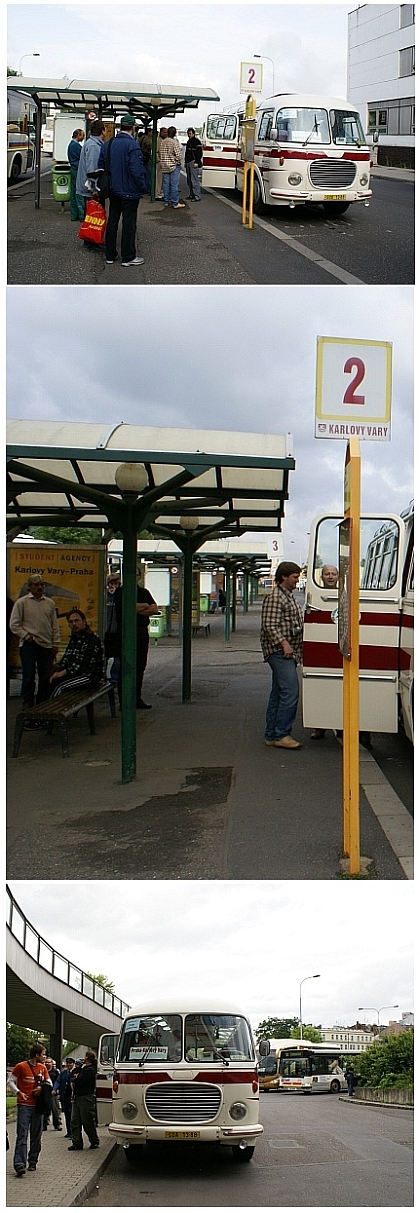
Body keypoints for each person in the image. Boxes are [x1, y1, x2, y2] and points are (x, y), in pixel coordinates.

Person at [260, 561, 303, 749]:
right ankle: (282, 734)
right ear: (284, 576)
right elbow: (269, 625)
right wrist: (284, 644)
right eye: (294, 577)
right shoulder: (276, 597)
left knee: (278, 693)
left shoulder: (287, 596)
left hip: (287, 651)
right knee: (290, 691)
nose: (297, 580)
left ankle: (271, 735)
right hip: (279, 652)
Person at [9, 574, 60, 724]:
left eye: (41, 585)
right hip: (29, 644)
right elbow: (14, 624)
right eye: (36, 585)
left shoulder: (49, 603)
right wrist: (26, 636)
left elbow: (54, 625)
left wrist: (55, 644)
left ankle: (42, 703)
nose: (39, 587)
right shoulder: (22, 603)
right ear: (29, 587)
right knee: (29, 675)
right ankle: (28, 702)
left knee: (45, 676)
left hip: (46, 644)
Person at [99, 114, 146, 267]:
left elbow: (101, 165)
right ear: (133, 127)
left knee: (112, 221)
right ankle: (128, 257)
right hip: (130, 191)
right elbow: (136, 171)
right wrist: (143, 187)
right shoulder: (132, 145)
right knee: (129, 223)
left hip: (113, 190)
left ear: (120, 127)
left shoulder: (108, 143)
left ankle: (110, 255)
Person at [8, 1043, 52, 1176]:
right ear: (37, 1055)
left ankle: (32, 1161)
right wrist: (18, 1092)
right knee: (22, 1134)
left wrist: (41, 1087)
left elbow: (49, 1083)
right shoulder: (21, 1066)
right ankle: (20, 1164)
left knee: (36, 1135)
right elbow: (10, 1081)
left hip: (37, 1106)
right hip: (24, 1104)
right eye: (43, 1054)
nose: (45, 1057)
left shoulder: (42, 1068)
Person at [114, 579, 159, 708]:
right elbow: (127, 607)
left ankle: (136, 697)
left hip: (141, 633)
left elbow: (154, 609)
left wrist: (136, 608)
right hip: (125, 633)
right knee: (126, 666)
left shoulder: (143, 591)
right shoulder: (120, 592)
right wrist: (144, 606)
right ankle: (125, 700)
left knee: (140, 666)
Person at [311, 565, 339, 739]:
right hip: (322, 643)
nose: (330, 577)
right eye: (327, 574)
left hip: (339, 646)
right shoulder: (316, 596)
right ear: (321, 577)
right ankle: (320, 726)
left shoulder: (345, 594)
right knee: (321, 687)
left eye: (333, 574)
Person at [49, 609, 104, 696]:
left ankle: (53, 709)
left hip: (91, 676)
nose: (74, 624)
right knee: (47, 680)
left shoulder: (91, 638)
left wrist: (59, 674)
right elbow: (66, 658)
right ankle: (40, 707)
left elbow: (80, 665)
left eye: (76, 620)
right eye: (71, 622)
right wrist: (55, 670)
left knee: (59, 687)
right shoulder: (75, 638)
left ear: (84, 621)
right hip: (77, 674)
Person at [75, 120, 106, 224]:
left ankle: (91, 239)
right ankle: (91, 240)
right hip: (90, 190)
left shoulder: (90, 143)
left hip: (86, 188)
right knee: (93, 220)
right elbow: (92, 170)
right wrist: (94, 188)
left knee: (91, 219)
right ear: (103, 131)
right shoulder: (94, 146)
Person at [68, 1050, 100, 1151]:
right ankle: (77, 1142)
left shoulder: (90, 1070)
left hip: (86, 1098)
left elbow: (80, 1081)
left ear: (88, 1058)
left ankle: (94, 1140)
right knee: (74, 1121)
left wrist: (77, 1078)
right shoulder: (85, 1069)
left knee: (87, 1121)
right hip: (78, 1097)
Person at [160, 125, 185, 209]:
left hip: (164, 165)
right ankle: (175, 202)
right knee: (174, 185)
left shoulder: (163, 141)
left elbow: (160, 153)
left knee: (166, 184)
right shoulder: (174, 142)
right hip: (173, 166)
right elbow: (178, 155)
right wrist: (177, 161)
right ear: (174, 134)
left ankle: (166, 201)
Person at [104, 573, 121, 685]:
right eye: (111, 583)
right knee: (103, 657)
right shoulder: (104, 597)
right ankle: (103, 677)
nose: (112, 586)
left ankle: (114, 678)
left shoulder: (120, 597)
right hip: (105, 632)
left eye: (115, 584)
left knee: (118, 658)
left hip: (117, 632)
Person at [53, 1058, 75, 1138]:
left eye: (70, 1063)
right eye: (68, 1063)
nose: (69, 1065)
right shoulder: (63, 1073)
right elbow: (58, 1082)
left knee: (73, 1115)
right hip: (64, 1097)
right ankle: (69, 1132)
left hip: (72, 1097)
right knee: (67, 1115)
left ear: (73, 1064)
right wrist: (55, 1089)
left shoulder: (75, 1073)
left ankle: (73, 1132)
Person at [67, 128, 85, 221]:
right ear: (78, 135)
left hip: (73, 169)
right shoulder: (76, 146)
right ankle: (81, 215)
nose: (83, 137)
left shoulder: (71, 145)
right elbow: (83, 156)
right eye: (82, 135)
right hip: (77, 170)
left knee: (73, 193)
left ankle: (74, 215)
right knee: (79, 193)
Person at [43, 1059, 61, 1131]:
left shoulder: (56, 1072)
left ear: (52, 1063)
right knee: (44, 1110)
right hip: (44, 1093)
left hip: (53, 1093)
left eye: (49, 1062)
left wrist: (57, 1091)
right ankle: (44, 1125)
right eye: (46, 1062)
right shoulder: (43, 1071)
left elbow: (59, 1081)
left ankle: (57, 1124)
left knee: (55, 1109)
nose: (47, 1064)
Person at [185, 127, 202, 200]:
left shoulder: (196, 142)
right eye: (188, 134)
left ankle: (197, 195)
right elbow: (186, 153)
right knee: (189, 180)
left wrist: (197, 162)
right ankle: (192, 194)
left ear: (193, 134)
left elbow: (199, 153)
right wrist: (185, 162)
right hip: (189, 161)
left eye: (190, 134)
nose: (189, 135)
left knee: (194, 180)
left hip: (193, 161)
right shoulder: (189, 141)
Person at [138, 126, 152, 194]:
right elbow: (149, 146)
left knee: (143, 173)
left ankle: (143, 187)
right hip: (145, 157)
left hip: (141, 156)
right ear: (148, 132)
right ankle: (147, 188)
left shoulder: (141, 137)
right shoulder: (146, 138)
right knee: (148, 174)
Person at [156, 126, 167, 199]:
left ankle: (159, 192)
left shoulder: (162, 140)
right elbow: (156, 151)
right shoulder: (158, 140)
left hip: (161, 161)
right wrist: (158, 160)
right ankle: (157, 193)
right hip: (158, 162)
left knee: (160, 179)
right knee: (158, 179)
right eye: (164, 132)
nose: (166, 134)